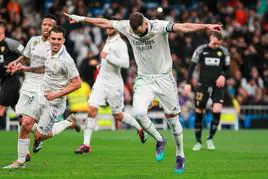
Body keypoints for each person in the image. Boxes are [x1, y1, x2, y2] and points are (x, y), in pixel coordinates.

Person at [64, 11, 222, 174]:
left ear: (145, 24)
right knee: (139, 113)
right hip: (144, 79)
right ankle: (160, 139)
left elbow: (183, 27)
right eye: (135, 33)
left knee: (174, 122)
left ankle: (180, 154)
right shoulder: (127, 26)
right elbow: (104, 22)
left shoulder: (159, 26)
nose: (137, 35)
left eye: (139, 32)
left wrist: (206, 26)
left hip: (164, 78)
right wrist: (81, 18)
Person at [3, 26, 81, 169]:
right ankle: (20, 161)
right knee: (25, 123)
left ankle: (69, 122)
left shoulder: (66, 60)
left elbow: (77, 84)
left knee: (39, 136)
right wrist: (25, 69)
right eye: (53, 39)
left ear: (63, 40)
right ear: (49, 39)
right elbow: (44, 68)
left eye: (59, 39)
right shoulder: (48, 52)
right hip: (41, 94)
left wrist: (56, 94)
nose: (55, 42)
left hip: (55, 102)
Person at [74, 21, 147, 154]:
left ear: (116, 28)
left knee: (118, 115)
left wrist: (108, 57)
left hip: (114, 84)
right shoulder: (108, 41)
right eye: (106, 26)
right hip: (101, 81)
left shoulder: (120, 44)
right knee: (91, 109)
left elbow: (125, 63)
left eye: (110, 26)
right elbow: (108, 61)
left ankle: (139, 128)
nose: (107, 28)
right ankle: (86, 144)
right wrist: (102, 66)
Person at [6, 14, 57, 158]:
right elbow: (26, 57)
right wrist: (15, 63)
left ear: (54, 29)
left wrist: (25, 69)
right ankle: (38, 139)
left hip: (44, 84)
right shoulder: (33, 41)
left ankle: (24, 154)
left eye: (49, 25)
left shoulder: (54, 46)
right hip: (28, 83)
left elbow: (45, 68)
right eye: (44, 24)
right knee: (22, 118)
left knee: (28, 120)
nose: (46, 27)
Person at [183, 32, 230, 151]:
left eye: (218, 44)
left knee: (217, 109)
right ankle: (198, 141)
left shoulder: (223, 51)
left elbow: (228, 68)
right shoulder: (201, 50)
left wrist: (223, 76)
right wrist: (188, 83)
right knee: (199, 111)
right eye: (214, 43)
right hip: (202, 85)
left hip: (217, 87)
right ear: (211, 38)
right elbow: (192, 67)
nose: (216, 46)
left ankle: (210, 139)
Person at [0, 19, 24, 129]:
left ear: (2, 29)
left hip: (11, 80)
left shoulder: (11, 43)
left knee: (0, 109)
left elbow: (26, 54)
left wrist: (16, 64)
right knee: (21, 113)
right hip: (4, 81)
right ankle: (38, 130)